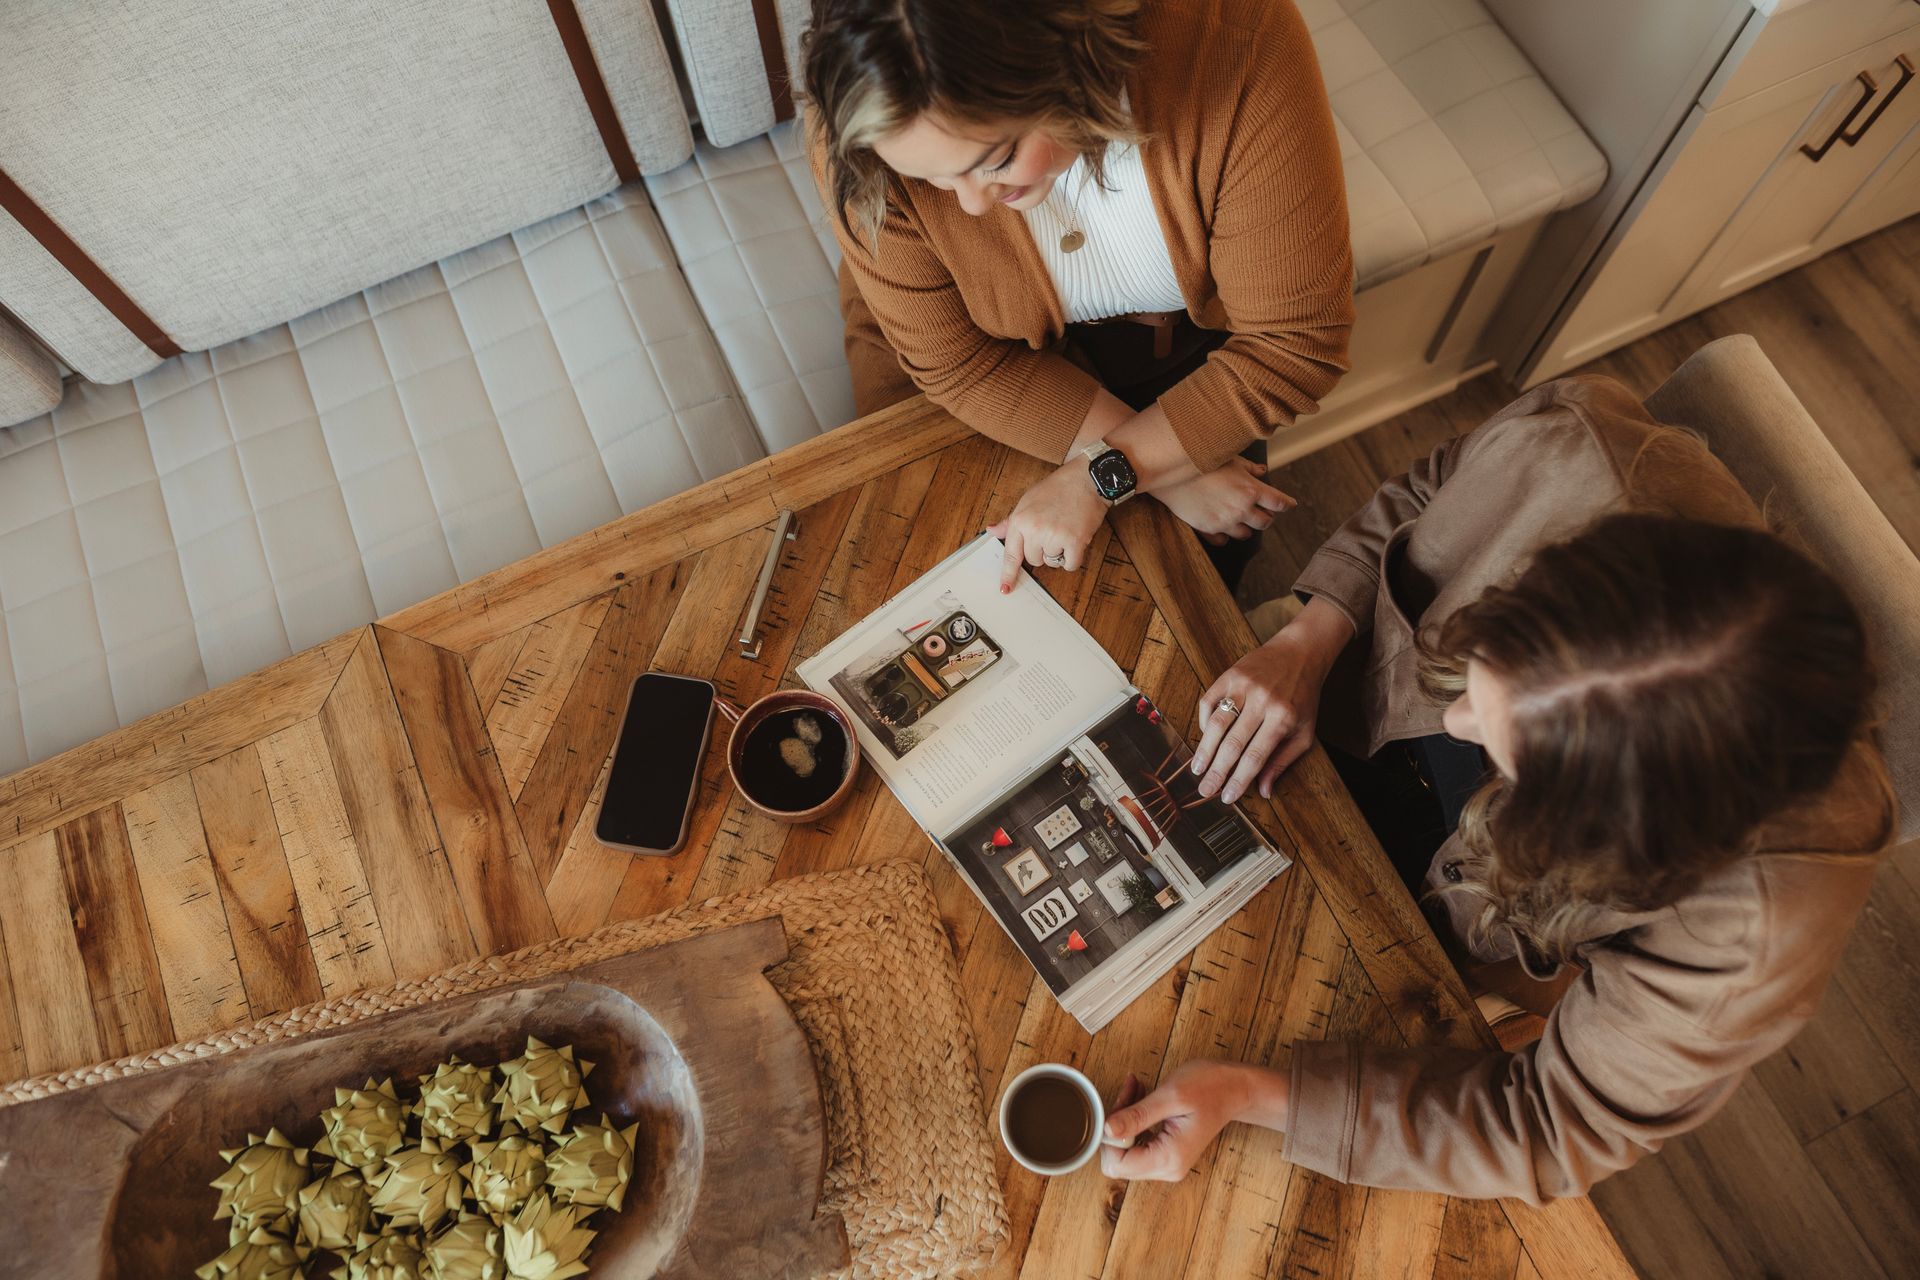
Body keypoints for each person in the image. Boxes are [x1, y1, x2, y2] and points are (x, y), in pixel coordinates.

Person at [1097, 375, 1897, 1201]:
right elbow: (1430, 491)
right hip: (1339, 687)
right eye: (1483, 672)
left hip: (1465, 924)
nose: (1455, 721)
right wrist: (1310, 637)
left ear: (1612, 826)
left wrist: (1249, 1094)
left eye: (1510, 751)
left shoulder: (1757, 925)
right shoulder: (1572, 443)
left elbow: (1552, 1126)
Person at [802, 0, 1354, 590]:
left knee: (1202, 570)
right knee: (935, 573)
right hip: (960, 362)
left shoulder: (1238, 40)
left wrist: (1105, 474)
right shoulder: (858, 115)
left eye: (997, 159)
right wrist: (1153, 472)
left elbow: (1294, 343)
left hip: (1184, 352)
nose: (970, 206)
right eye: (928, 177)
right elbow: (958, 364)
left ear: (1068, 60)